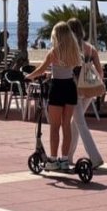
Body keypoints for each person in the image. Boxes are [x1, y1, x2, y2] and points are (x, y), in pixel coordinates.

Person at [25, 22, 82, 170]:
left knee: (54, 127)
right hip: (70, 87)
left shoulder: (53, 52)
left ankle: (52, 159)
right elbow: (67, 69)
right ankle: (64, 159)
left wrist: (28, 77)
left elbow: (40, 70)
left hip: (57, 88)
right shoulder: (74, 51)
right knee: (66, 126)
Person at [64, 19, 105, 169]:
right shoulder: (91, 48)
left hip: (75, 89)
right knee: (75, 124)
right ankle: (68, 157)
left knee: (80, 123)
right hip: (89, 89)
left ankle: (95, 157)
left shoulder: (70, 48)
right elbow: (100, 71)